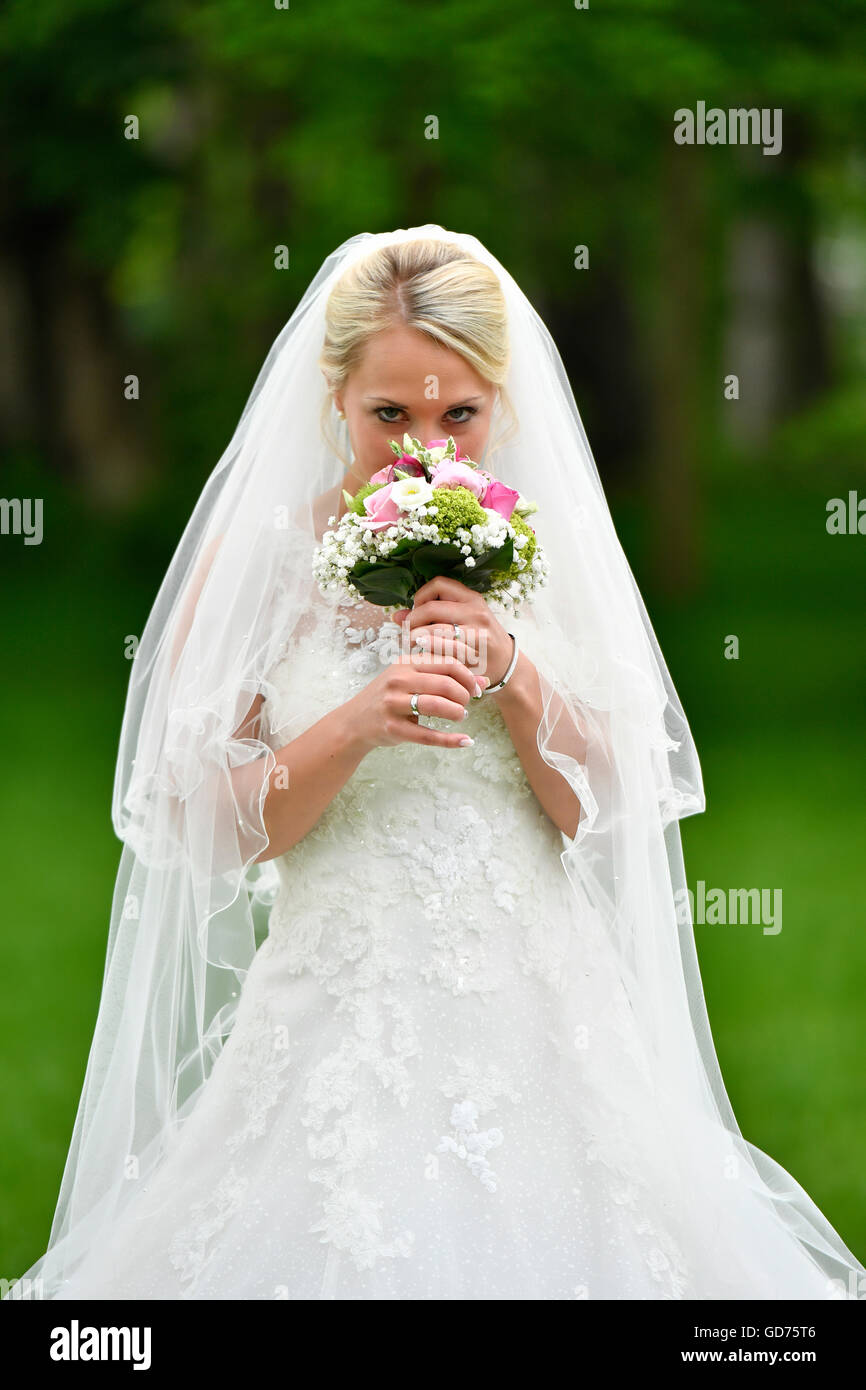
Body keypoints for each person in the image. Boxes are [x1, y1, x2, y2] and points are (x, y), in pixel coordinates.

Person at [7, 225, 864, 1300]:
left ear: (499, 400)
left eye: (458, 412)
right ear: (335, 400)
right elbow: (207, 824)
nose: (425, 449)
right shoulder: (265, 560)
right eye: (389, 415)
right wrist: (354, 722)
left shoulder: (544, 559)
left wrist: (512, 671)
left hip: (541, 1012)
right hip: (336, 1012)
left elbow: (601, 804)